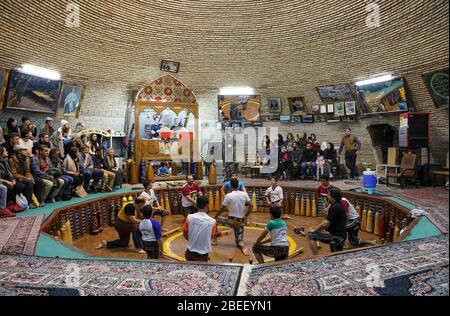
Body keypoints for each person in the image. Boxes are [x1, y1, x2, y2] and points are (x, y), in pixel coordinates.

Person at [215, 179, 253, 256]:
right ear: (238, 185)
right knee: (239, 241)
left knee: (213, 221)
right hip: (241, 222)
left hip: (231, 221)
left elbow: (223, 208)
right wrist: (246, 216)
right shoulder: (244, 194)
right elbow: (251, 205)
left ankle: (213, 239)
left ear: (230, 186)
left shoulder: (228, 196)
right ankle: (242, 246)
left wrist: (215, 216)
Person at [308, 187, 347, 255]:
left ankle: (316, 258)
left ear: (333, 197)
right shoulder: (336, 205)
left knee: (311, 235)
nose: (327, 196)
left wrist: (315, 230)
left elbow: (325, 224)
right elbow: (326, 219)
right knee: (336, 255)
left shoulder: (335, 207)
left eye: (328, 195)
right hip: (339, 234)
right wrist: (316, 228)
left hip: (336, 236)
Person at [183, 196, 217, 262]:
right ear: (207, 206)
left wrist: (193, 241)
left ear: (196, 205)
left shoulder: (189, 217)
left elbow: (184, 233)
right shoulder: (213, 221)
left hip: (189, 254)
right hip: (203, 256)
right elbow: (210, 237)